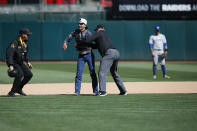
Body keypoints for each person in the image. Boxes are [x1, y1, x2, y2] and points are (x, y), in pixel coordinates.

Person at [77, 24, 127, 96]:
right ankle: (123, 90)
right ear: (103, 28)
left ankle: (103, 91)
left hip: (109, 54)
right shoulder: (104, 35)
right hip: (116, 53)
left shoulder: (99, 33)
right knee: (114, 72)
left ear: (98, 29)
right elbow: (95, 46)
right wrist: (86, 45)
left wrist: (79, 44)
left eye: (96, 30)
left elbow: (88, 40)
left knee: (101, 73)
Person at [62, 18, 98, 95]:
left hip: (89, 54)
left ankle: (95, 91)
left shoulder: (88, 33)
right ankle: (77, 91)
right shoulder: (76, 31)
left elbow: (88, 42)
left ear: (85, 25)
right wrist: (65, 42)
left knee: (92, 73)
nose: (79, 25)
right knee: (78, 74)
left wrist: (78, 44)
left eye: (81, 24)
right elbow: (69, 37)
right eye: (79, 23)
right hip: (81, 55)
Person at [6, 28, 33, 97]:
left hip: (20, 63)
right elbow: (10, 54)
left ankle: (19, 89)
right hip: (14, 62)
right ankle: (12, 92)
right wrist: (11, 65)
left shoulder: (25, 43)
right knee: (20, 74)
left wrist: (27, 62)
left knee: (29, 74)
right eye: (27, 34)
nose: (28, 36)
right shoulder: (15, 42)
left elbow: (25, 55)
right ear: (23, 35)